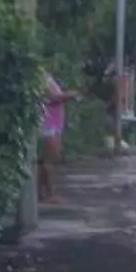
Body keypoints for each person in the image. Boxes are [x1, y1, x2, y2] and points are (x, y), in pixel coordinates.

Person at [38, 71, 79, 204]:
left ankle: (40, 192)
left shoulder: (48, 77)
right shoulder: (41, 78)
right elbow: (52, 97)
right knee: (49, 160)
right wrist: (70, 95)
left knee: (52, 159)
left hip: (55, 123)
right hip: (47, 124)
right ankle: (50, 193)